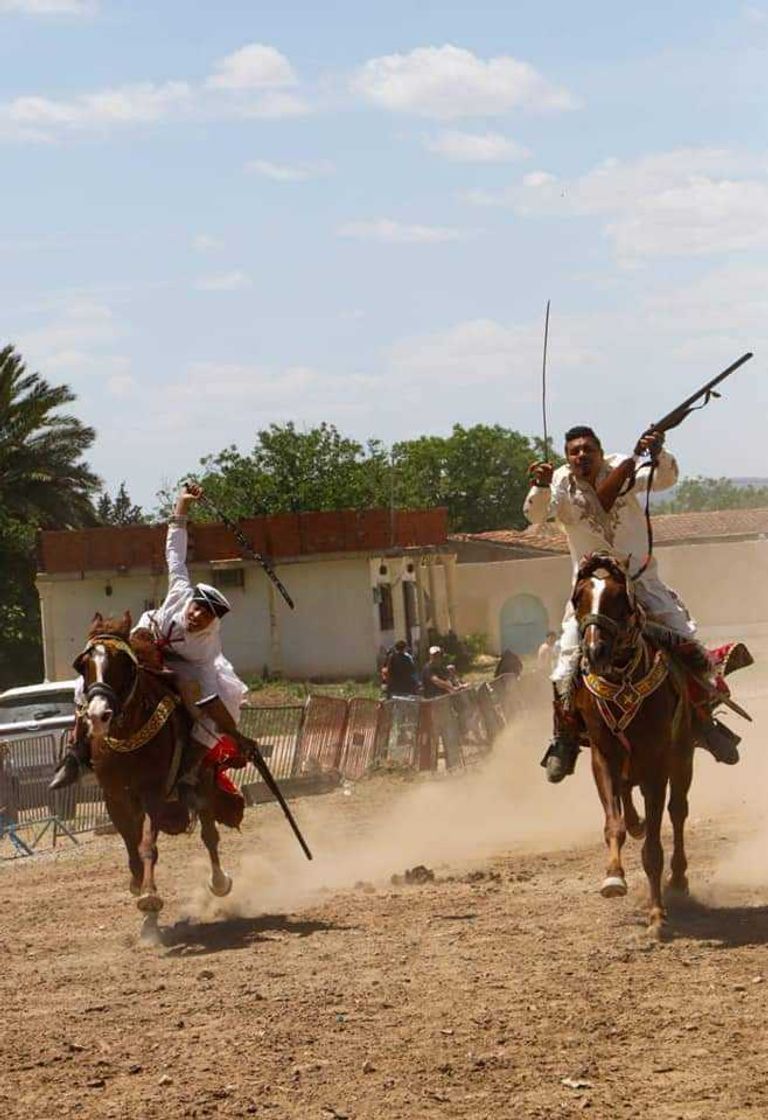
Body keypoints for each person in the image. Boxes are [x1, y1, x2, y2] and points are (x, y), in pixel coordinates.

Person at [525, 424, 741, 783]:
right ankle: (563, 740)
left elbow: (665, 479)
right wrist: (541, 484)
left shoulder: (625, 465)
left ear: (600, 451)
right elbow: (534, 515)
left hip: (641, 584)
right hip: (592, 592)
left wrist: (657, 451)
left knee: (687, 643)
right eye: (574, 451)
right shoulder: (559, 482)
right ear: (566, 457)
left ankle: (704, 722)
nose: (581, 457)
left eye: (588, 450)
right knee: (565, 663)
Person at [50, 483, 248, 791]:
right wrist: (182, 505)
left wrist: (234, 733)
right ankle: (75, 755)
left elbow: (209, 692)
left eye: (206, 616)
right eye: (197, 608)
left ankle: (189, 769)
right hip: (142, 642)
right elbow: (175, 553)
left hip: (182, 667)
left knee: (227, 703)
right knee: (89, 678)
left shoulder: (207, 650)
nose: (196, 617)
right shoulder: (181, 589)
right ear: (191, 601)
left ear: (213, 621)